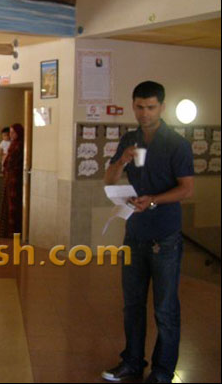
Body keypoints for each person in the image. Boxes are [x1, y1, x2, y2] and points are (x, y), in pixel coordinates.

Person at [102, 81, 194, 384]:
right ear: (133, 106)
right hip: (135, 232)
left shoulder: (176, 144)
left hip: (165, 236)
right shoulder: (130, 139)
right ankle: (131, 361)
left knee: (165, 308)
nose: (145, 113)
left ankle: (163, 371)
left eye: (151, 107)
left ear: (162, 107)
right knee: (132, 304)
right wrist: (122, 160)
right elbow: (109, 179)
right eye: (139, 107)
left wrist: (153, 200)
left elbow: (186, 189)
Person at [0, 123, 24, 238]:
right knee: (7, 203)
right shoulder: (13, 144)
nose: (11, 135)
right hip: (9, 177)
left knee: (13, 204)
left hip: (15, 178)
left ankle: (14, 231)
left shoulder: (19, 145)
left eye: (13, 132)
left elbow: (12, 161)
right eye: (10, 132)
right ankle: (7, 231)